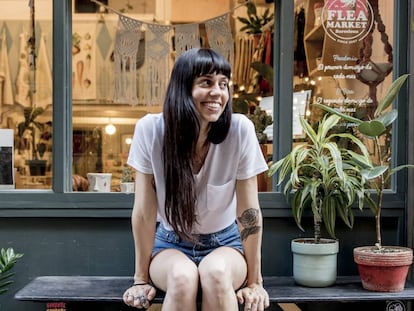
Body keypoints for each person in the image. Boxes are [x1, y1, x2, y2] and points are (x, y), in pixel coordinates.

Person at [123, 48, 270, 311]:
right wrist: (140, 279)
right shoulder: (151, 130)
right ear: (182, 88)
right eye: (207, 82)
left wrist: (255, 282)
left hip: (225, 243)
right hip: (170, 243)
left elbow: (248, 212)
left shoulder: (240, 130)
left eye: (223, 84)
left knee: (216, 274)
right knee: (182, 277)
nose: (218, 92)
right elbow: (145, 213)